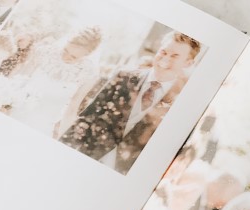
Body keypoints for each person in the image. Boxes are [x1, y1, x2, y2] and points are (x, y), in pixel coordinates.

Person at [59, 31, 201, 174]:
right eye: (163, 52)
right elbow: (87, 118)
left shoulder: (183, 105)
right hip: (88, 158)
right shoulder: (123, 77)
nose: (165, 59)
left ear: (188, 63)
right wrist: (60, 150)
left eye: (175, 56)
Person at [7, 26, 102, 137]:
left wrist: (63, 138)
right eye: (65, 50)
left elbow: (72, 108)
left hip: (41, 128)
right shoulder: (45, 52)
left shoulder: (88, 74)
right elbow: (20, 81)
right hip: (13, 114)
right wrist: (5, 104)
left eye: (73, 57)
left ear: (87, 56)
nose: (65, 57)